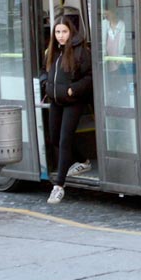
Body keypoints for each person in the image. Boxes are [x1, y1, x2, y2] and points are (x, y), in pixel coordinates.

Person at [41, 16, 93, 204]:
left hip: (74, 101)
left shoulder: (81, 51)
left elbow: (89, 77)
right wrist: (46, 84)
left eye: (64, 32)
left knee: (64, 140)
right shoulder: (52, 51)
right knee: (55, 138)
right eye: (57, 32)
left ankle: (59, 186)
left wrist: (73, 89)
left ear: (71, 32)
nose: (61, 36)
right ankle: (83, 161)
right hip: (56, 99)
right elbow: (44, 71)